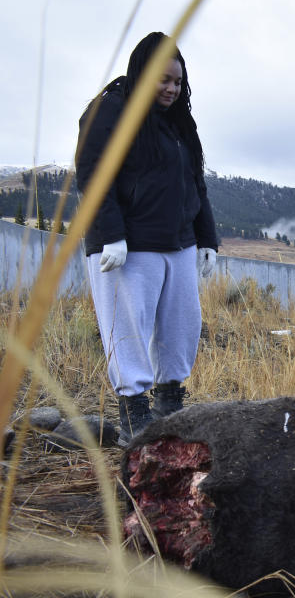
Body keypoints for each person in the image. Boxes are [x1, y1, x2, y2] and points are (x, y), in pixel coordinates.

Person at [75, 32, 218, 444]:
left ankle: (169, 404)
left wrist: (206, 237)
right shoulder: (110, 111)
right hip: (128, 245)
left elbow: (195, 182)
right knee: (128, 329)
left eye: (177, 81)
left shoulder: (178, 123)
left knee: (181, 327)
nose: (172, 89)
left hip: (178, 242)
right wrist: (111, 235)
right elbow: (93, 172)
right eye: (163, 80)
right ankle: (134, 416)